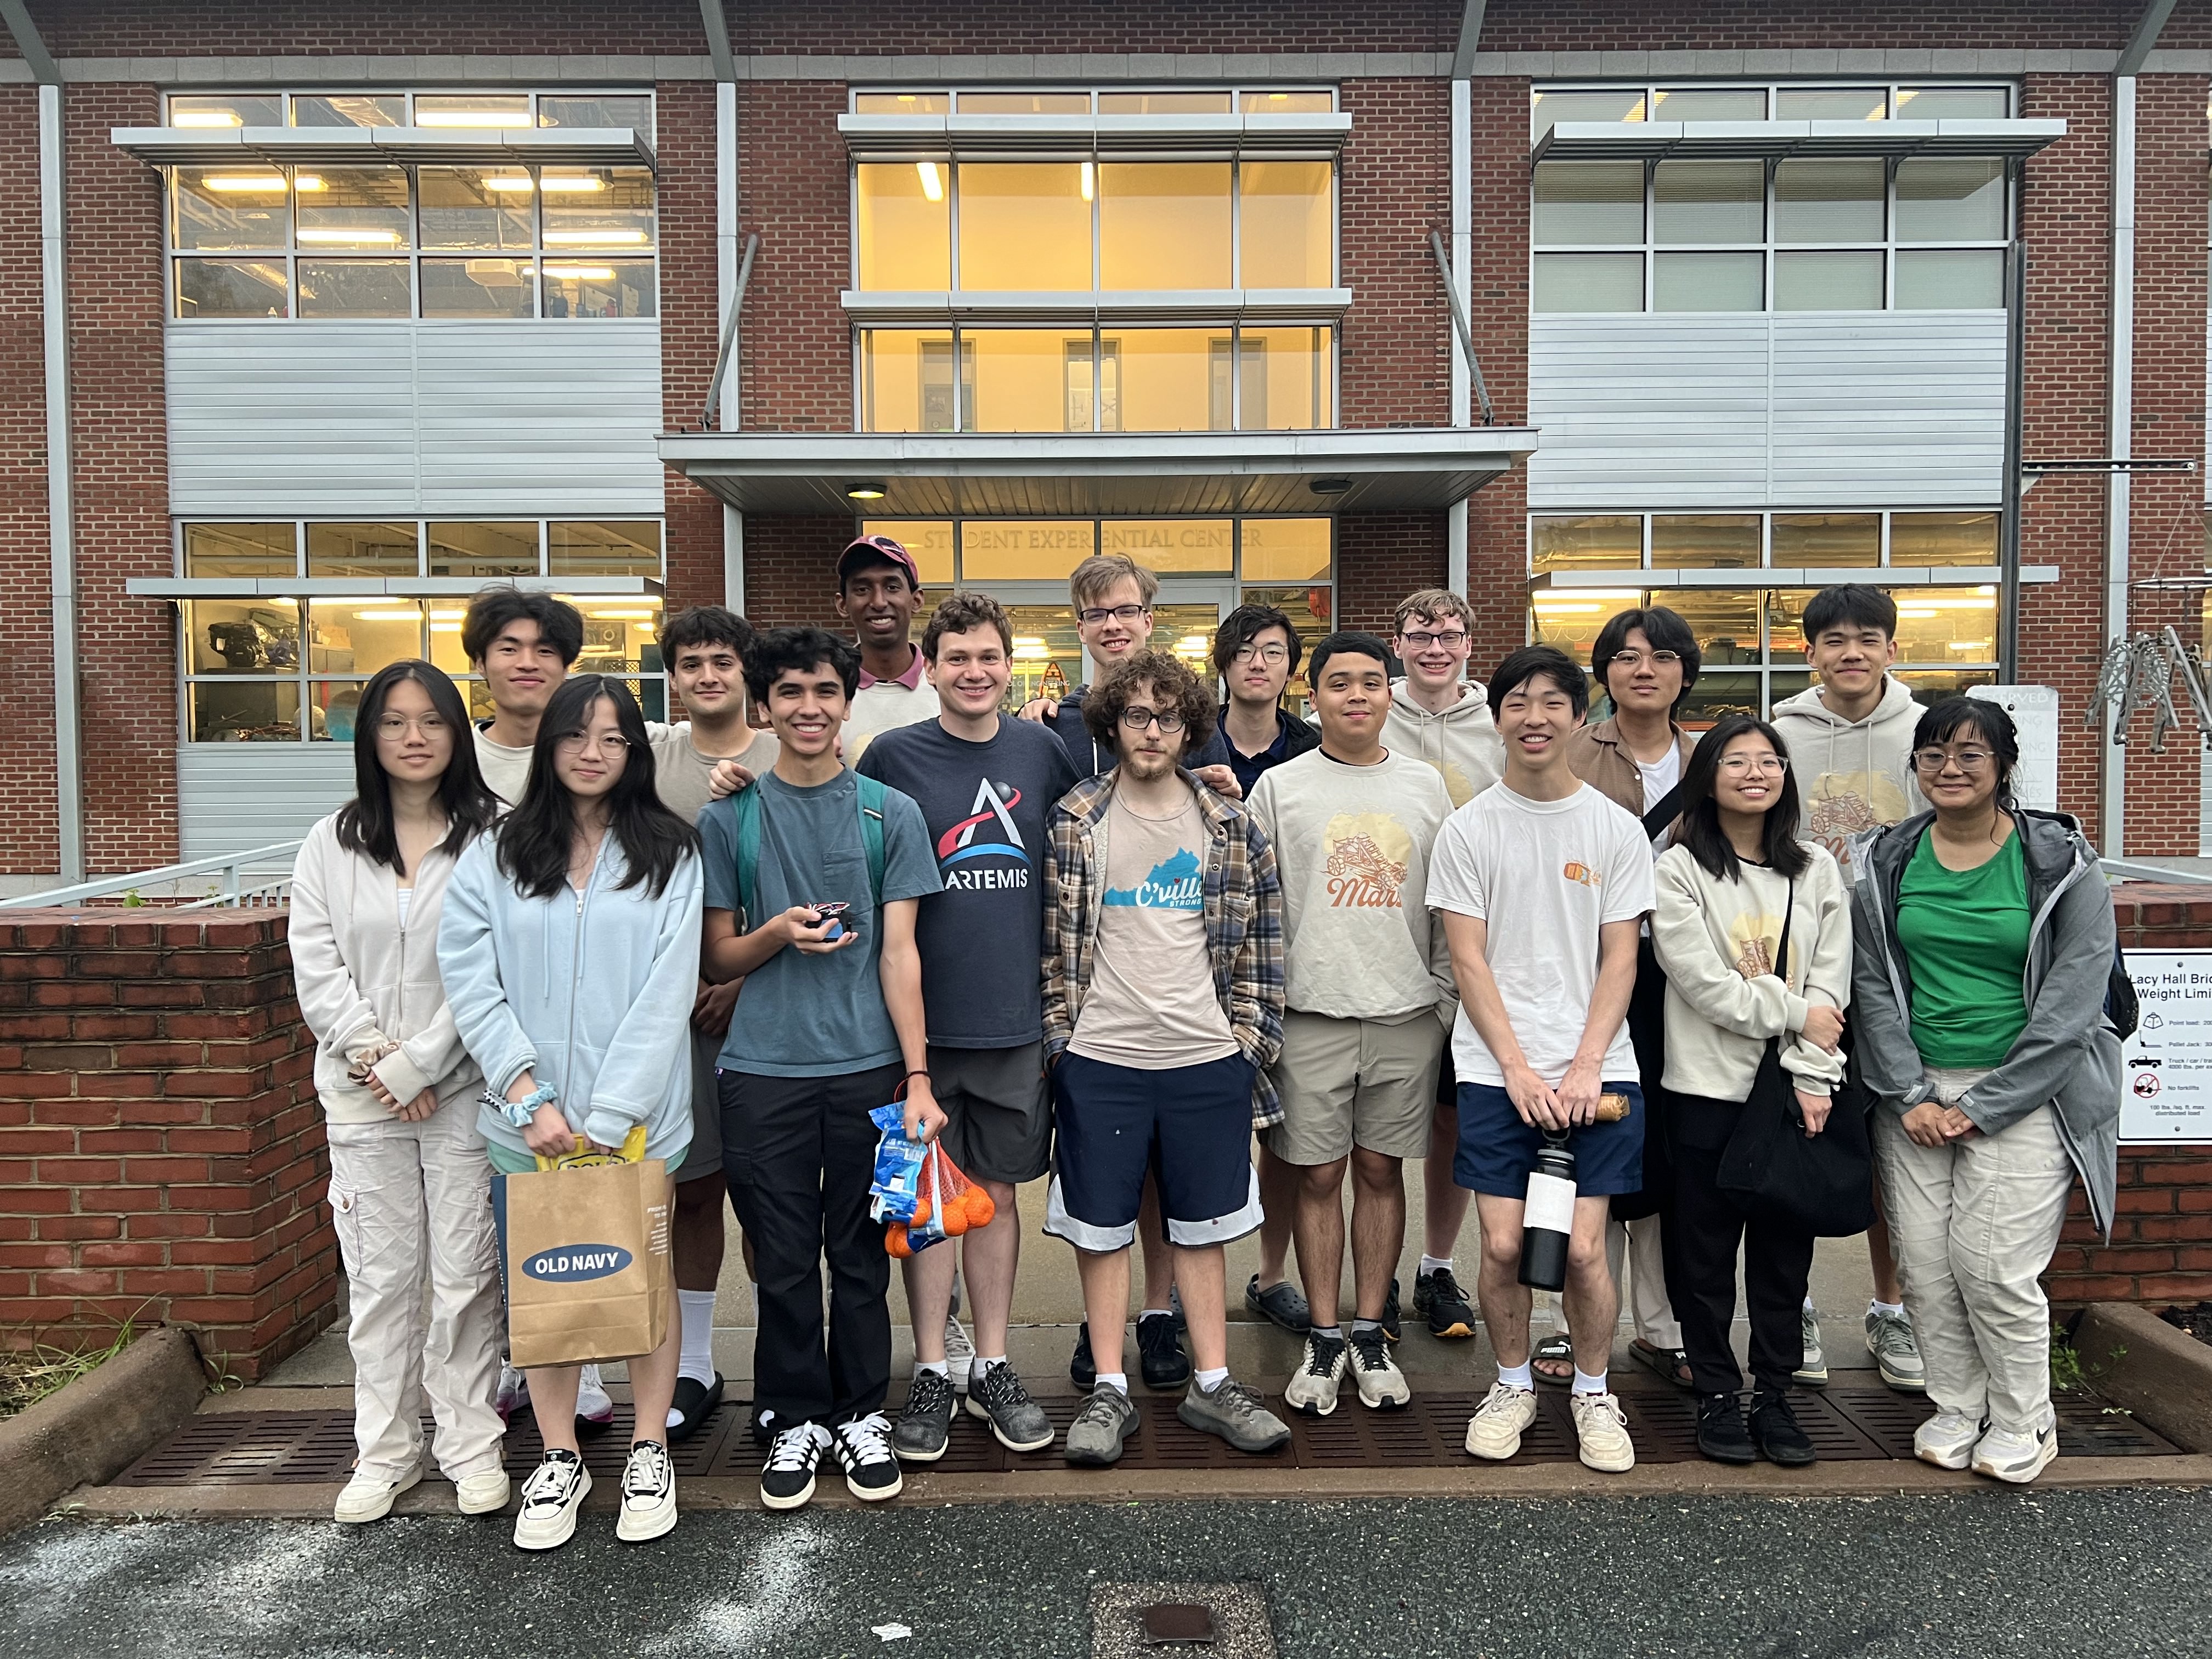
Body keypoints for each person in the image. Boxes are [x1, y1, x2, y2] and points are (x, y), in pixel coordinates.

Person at [439, 673, 704, 1550]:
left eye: (613, 739)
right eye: (576, 736)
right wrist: (528, 1096)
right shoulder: (498, 849)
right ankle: (558, 1456)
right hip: (527, 1125)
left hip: (638, 1126)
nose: (593, 754)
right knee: (544, 1285)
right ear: (548, 745)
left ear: (634, 752)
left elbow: (670, 990)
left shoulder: (671, 851)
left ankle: (648, 1445)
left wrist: (614, 1110)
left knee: (642, 1281)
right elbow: (471, 980)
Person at [699, 627, 945, 1511]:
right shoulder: (730, 816)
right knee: (781, 1255)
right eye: (790, 692)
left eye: (825, 691)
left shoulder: (890, 812)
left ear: (849, 702)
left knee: (859, 1250)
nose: (808, 707)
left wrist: (917, 1076)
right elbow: (719, 956)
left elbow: (901, 955)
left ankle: (859, 1410)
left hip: (868, 1067)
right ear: (762, 707)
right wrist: (776, 933)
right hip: (761, 1068)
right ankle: (794, 1411)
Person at [1850, 698, 2119, 1485]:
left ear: (2004, 765)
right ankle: (1958, 1405)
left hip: (2027, 1090)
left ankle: (2025, 1418)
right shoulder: (1887, 859)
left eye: (1971, 755)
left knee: (1993, 1266)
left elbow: (2075, 1003)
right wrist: (1911, 1094)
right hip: (1917, 1090)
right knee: (1927, 1267)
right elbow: (1872, 985)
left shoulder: (2062, 864)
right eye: (1933, 755)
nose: (1950, 770)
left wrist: (1985, 1105)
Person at [1043, 650, 1291, 1466]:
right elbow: (1052, 946)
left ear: (1192, 727)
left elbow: (1264, 937)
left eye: (1170, 716)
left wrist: (1246, 1044)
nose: (1153, 731)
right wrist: (1063, 1043)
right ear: (1111, 724)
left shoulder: (1228, 821)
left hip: (1204, 1056)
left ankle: (1212, 1383)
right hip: (1102, 1054)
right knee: (1103, 1227)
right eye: (1137, 716)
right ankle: (1108, 1390)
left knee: (1205, 1224)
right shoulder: (1076, 817)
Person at [857, 592, 1077, 1462]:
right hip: (919, 1032)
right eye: (957, 659)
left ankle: (990, 1360)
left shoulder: (1043, 750)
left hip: (1016, 1022)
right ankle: (931, 1369)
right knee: (926, 1203)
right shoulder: (892, 755)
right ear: (933, 665)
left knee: (996, 1198)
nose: (974, 672)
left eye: (989, 657)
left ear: (1008, 662)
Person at [290, 661, 506, 1526]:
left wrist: (423, 1064)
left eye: (431, 722)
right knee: (381, 1282)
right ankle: (384, 1451)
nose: (413, 738)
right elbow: (317, 966)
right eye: (393, 722)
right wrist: (379, 1059)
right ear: (368, 736)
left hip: (462, 1091)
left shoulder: (494, 837)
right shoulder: (328, 842)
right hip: (359, 1096)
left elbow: (496, 968)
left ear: (458, 733)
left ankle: (470, 1445)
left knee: (464, 1277)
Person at [1428, 644, 1652, 1475]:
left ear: (1578, 716)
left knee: (1586, 1250)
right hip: (1495, 1069)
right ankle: (1514, 1383)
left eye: (1552, 702)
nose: (1534, 717)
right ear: (1496, 717)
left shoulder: (1613, 828)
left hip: (1599, 1071)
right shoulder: (1469, 827)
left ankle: (1594, 1392)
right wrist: (1518, 1069)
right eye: (1517, 702)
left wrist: (1586, 1062)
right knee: (1501, 1247)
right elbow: (1469, 961)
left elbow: (1620, 957)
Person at [1020, 552, 1240, 1389]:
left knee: (1172, 1180)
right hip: (1102, 1008)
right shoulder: (1053, 735)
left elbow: (1241, 898)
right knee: (1110, 1181)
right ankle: (1103, 1328)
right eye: (1094, 614)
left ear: (1150, 615)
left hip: (1186, 1015)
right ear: (1079, 630)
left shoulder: (1196, 734)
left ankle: (1160, 1316)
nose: (1112, 624)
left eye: (1125, 609)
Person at [1250, 633, 1455, 1417]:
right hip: (1310, 1015)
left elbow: (1446, 899)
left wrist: (1441, 999)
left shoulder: (1426, 786)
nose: (1359, 696)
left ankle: (1371, 1330)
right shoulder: (1280, 787)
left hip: (1406, 1013)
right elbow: (1262, 907)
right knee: (1318, 1175)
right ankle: (1325, 1333)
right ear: (1316, 696)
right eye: (1341, 684)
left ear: (1391, 693)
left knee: (1380, 1172)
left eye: (1373, 682)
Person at [1651, 715, 1850, 1468]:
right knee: (1701, 1257)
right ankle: (1714, 1392)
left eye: (1770, 761)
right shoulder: (1678, 870)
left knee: (1781, 1257)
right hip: (1703, 1089)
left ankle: (1774, 1390)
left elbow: (1836, 980)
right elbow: (1703, 984)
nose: (1756, 773)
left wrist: (1811, 1068)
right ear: (1707, 776)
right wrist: (1798, 1010)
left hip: (1794, 1090)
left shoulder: (1817, 870)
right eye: (1736, 761)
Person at [1771, 584, 1926, 1395]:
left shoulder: (1927, 731)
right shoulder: (1784, 732)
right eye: (1834, 641)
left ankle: (1893, 1306)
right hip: (1804, 969)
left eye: (1868, 639)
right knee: (1798, 1135)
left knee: (1891, 1146)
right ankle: (1791, 1302)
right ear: (1810, 653)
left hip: (1905, 971)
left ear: (1893, 651)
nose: (1852, 653)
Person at [1559, 606, 1701, 1391]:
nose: (1643, 669)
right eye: (1625, 656)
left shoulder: (1713, 758)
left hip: (1689, 982)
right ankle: (1571, 1322)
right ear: (1605, 673)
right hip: (1595, 974)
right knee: (1591, 1138)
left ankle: (1662, 1326)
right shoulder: (1572, 753)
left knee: (1670, 1150)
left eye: (1661, 656)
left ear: (1686, 669)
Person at [647, 606, 780, 1441]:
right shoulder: (648, 761)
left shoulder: (786, 753)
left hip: (767, 1012)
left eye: (722, 663)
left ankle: (783, 1361)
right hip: (673, 1016)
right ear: (672, 677)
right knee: (693, 1195)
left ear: (746, 674)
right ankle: (694, 1363)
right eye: (691, 663)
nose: (707, 676)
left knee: (772, 1205)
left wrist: (739, 977)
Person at [1381, 589, 1506, 1345]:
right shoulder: (1371, 709)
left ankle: (1435, 1266)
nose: (1436, 646)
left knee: (1454, 1118)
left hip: (1477, 948)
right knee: (1388, 1124)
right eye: (1421, 634)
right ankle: (1376, 1274)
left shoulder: (1497, 724)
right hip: (1386, 937)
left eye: (1451, 634)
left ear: (1469, 644)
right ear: (1398, 643)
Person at [1213, 603, 1321, 1339]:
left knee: (1283, 1138)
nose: (1259, 663)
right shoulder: (1184, 739)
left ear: (1291, 667)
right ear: (1223, 663)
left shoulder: (1314, 750)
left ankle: (1272, 1274)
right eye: (1245, 650)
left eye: (1275, 652)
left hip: (1288, 964)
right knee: (1196, 1139)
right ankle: (1179, 1295)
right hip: (1198, 960)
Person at [461, 586, 583, 808]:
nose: (527, 664)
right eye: (509, 649)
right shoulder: (454, 758)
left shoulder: (597, 757)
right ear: (480, 663)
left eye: (545, 651)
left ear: (566, 667)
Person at [836, 533, 940, 760]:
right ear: (843, 604)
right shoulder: (826, 690)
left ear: (917, 600)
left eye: (892, 587)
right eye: (862, 589)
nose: (879, 602)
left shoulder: (947, 686)